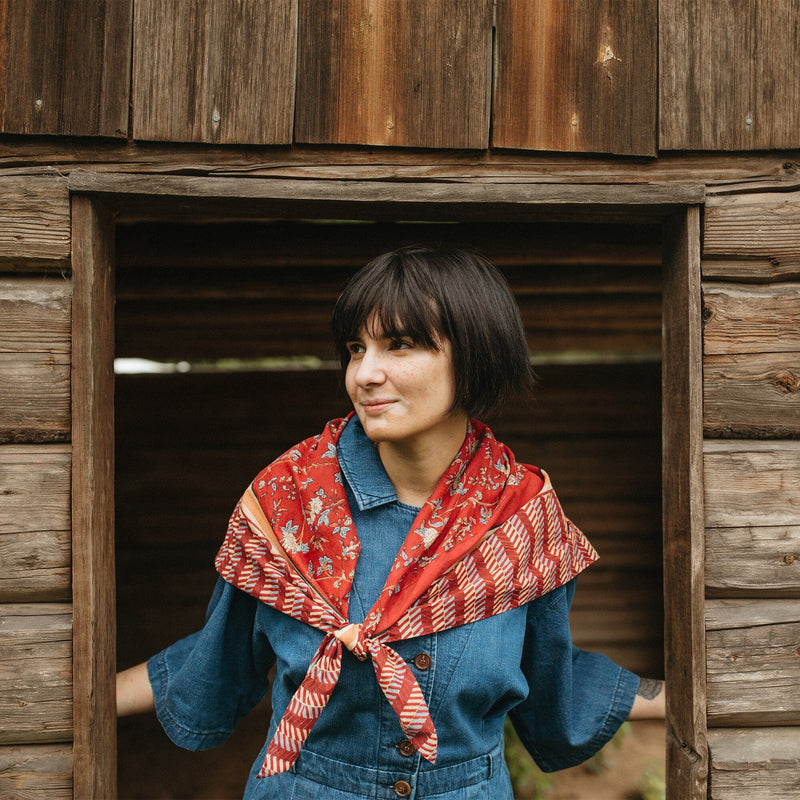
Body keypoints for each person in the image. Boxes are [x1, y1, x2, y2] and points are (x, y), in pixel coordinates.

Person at [117, 246, 665, 799]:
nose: (364, 374)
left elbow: (554, 686)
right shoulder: (288, 504)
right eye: (356, 348)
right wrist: (73, 695)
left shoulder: (521, 519)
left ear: (475, 355)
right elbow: (218, 658)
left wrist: (713, 694)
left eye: (399, 344)